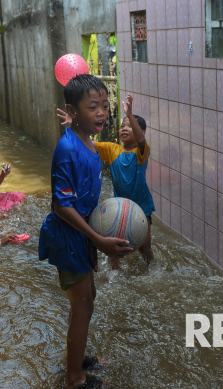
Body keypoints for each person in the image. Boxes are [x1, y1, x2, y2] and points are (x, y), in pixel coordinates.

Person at [39, 73, 134, 389]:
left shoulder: (85, 140)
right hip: (70, 237)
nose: (102, 113)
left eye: (105, 106)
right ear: (73, 110)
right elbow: (61, 205)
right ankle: (74, 380)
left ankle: (75, 360)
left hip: (82, 234)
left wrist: (77, 124)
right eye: (92, 107)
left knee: (87, 299)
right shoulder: (68, 149)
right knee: (82, 307)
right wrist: (98, 239)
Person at [57, 93, 154, 268]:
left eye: (130, 126)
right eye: (122, 126)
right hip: (119, 208)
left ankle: (151, 270)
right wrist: (76, 125)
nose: (125, 129)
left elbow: (141, 140)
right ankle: (115, 276)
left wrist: (129, 114)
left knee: (145, 247)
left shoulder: (142, 152)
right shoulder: (112, 149)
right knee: (114, 250)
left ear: (142, 132)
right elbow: (87, 143)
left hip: (142, 207)